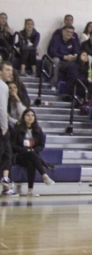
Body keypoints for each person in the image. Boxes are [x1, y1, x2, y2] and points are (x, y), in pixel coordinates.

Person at [11, 109, 54, 195]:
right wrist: (25, 150)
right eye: (28, 115)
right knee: (30, 154)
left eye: (32, 115)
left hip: (32, 155)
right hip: (18, 155)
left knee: (31, 162)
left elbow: (41, 145)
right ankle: (44, 176)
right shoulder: (17, 129)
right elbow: (13, 145)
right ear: (23, 117)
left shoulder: (38, 130)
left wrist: (33, 150)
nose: (30, 117)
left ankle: (30, 190)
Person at [0, 61, 15, 195]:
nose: (10, 72)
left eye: (11, 70)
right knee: (6, 154)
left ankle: (5, 184)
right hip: (1, 126)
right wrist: (4, 126)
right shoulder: (3, 86)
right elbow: (2, 108)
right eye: (7, 70)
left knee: (7, 153)